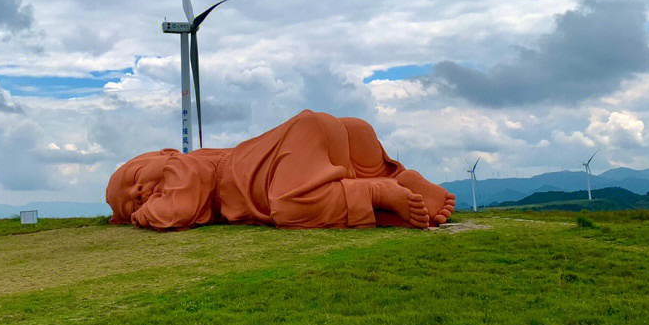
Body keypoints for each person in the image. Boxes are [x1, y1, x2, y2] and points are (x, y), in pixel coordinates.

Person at [107, 109, 455, 230]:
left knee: (289, 205)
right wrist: (132, 215)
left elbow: (177, 210)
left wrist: (137, 217)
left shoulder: (186, 167)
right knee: (308, 191)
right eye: (133, 204)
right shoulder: (186, 170)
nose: (139, 194)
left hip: (296, 146)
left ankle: (378, 190)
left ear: (163, 153)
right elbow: (175, 208)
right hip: (333, 141)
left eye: (136, 179)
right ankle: (392, 183)